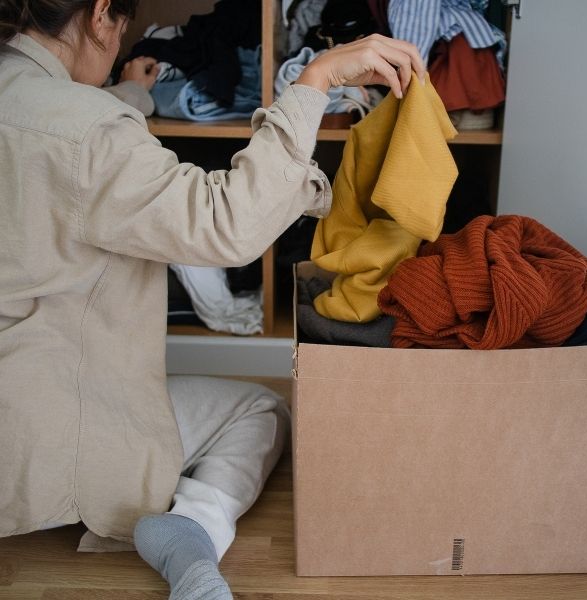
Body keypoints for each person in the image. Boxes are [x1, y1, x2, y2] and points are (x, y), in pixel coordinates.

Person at [0, 1, 425, 599]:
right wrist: (315, 81)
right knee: (260, 410)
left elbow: (56, 146)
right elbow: (227, 226)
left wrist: (131, 95)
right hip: (42, 431)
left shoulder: (41, 107)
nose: (120, 44)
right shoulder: (86, 129)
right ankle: (192, 537)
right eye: (121, 31)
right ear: (101, 15)